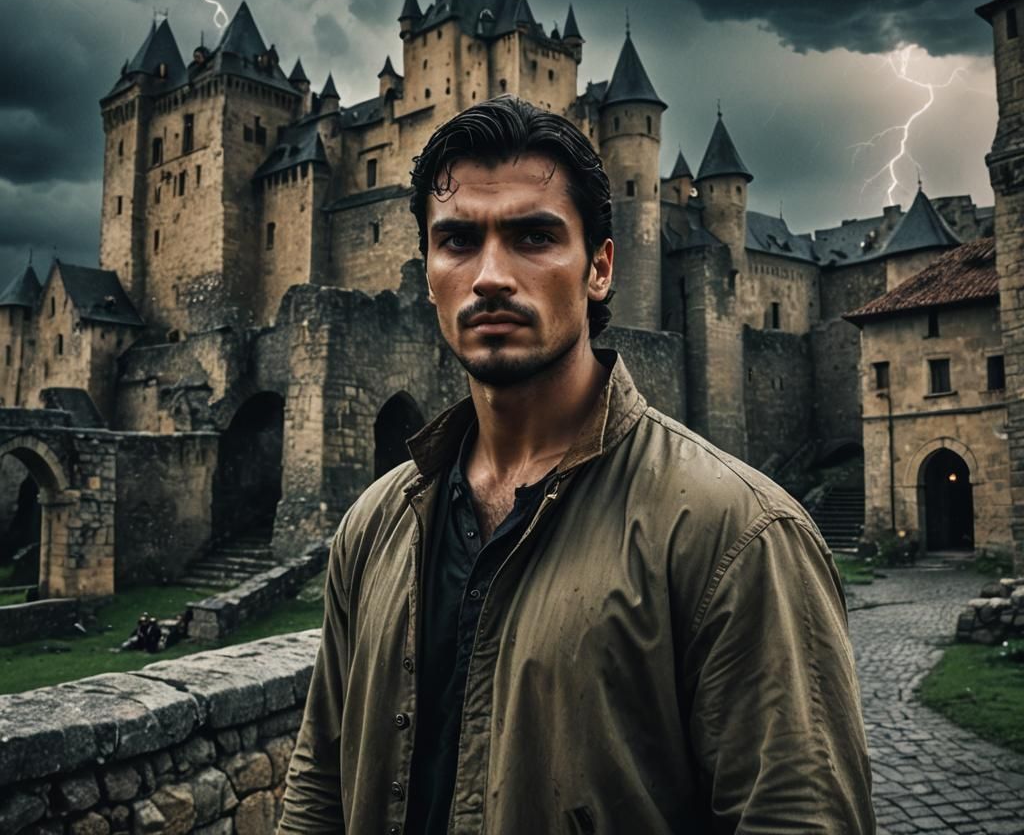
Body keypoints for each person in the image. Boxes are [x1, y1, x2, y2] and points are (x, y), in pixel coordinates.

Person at [279, 96, 875, 834]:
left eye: (533, 236)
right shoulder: (373, 528)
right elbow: (317, 788)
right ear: (427, 270)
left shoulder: (740, 538)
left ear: (598, 268)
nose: (490, 275)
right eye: (458, 240)